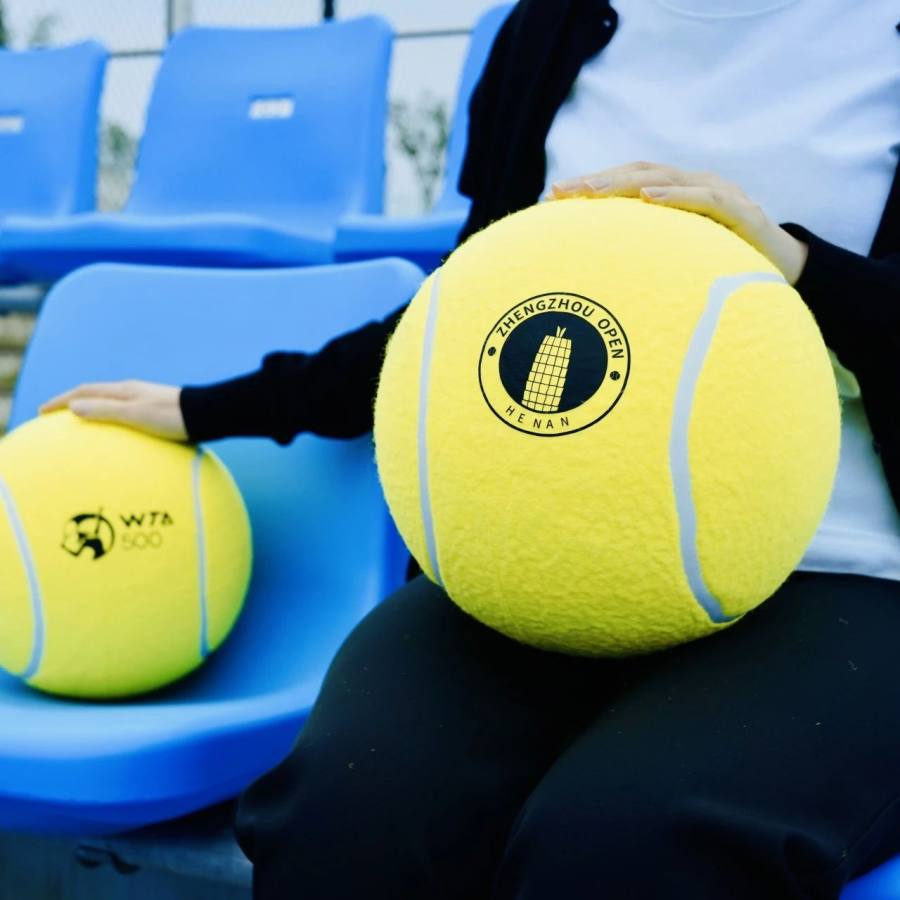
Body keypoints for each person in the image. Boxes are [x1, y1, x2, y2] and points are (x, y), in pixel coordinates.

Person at [41, 1, 900, 896]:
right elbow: (465, 309)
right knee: (348, 813)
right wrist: (212, 406)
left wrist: (800, 269)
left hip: (850, 571)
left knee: (623, 848)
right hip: (531, 562)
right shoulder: (552, 26)